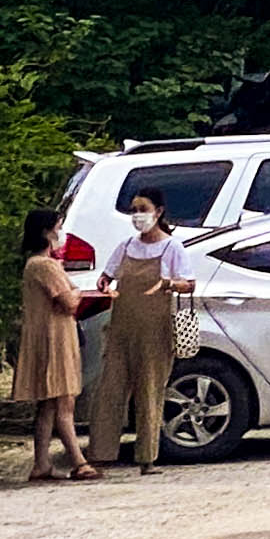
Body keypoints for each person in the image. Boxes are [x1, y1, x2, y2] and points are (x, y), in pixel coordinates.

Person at [89, 188, 202, 473]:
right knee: (110, 390)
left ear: (159, 212)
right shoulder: (126, 245)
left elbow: (189, 283)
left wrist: (167, 284)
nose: (137, 215)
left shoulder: (171, 247)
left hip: (156, 330)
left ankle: (147, 457)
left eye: (143, 209)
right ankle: (100, 456)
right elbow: (108, 275)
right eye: (134, 210)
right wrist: (104, 283)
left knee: (150, 391)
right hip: (121, 329)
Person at [13, 208, 97, 482]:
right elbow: (70, 301)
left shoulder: (36, 265)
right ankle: (79, 461)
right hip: (55, 338)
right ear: (48, 232)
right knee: (64, 401)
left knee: (48, 404)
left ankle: (42, 463)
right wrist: (77, 291)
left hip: (49, 336)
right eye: (58, 228)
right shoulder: (45, 265)